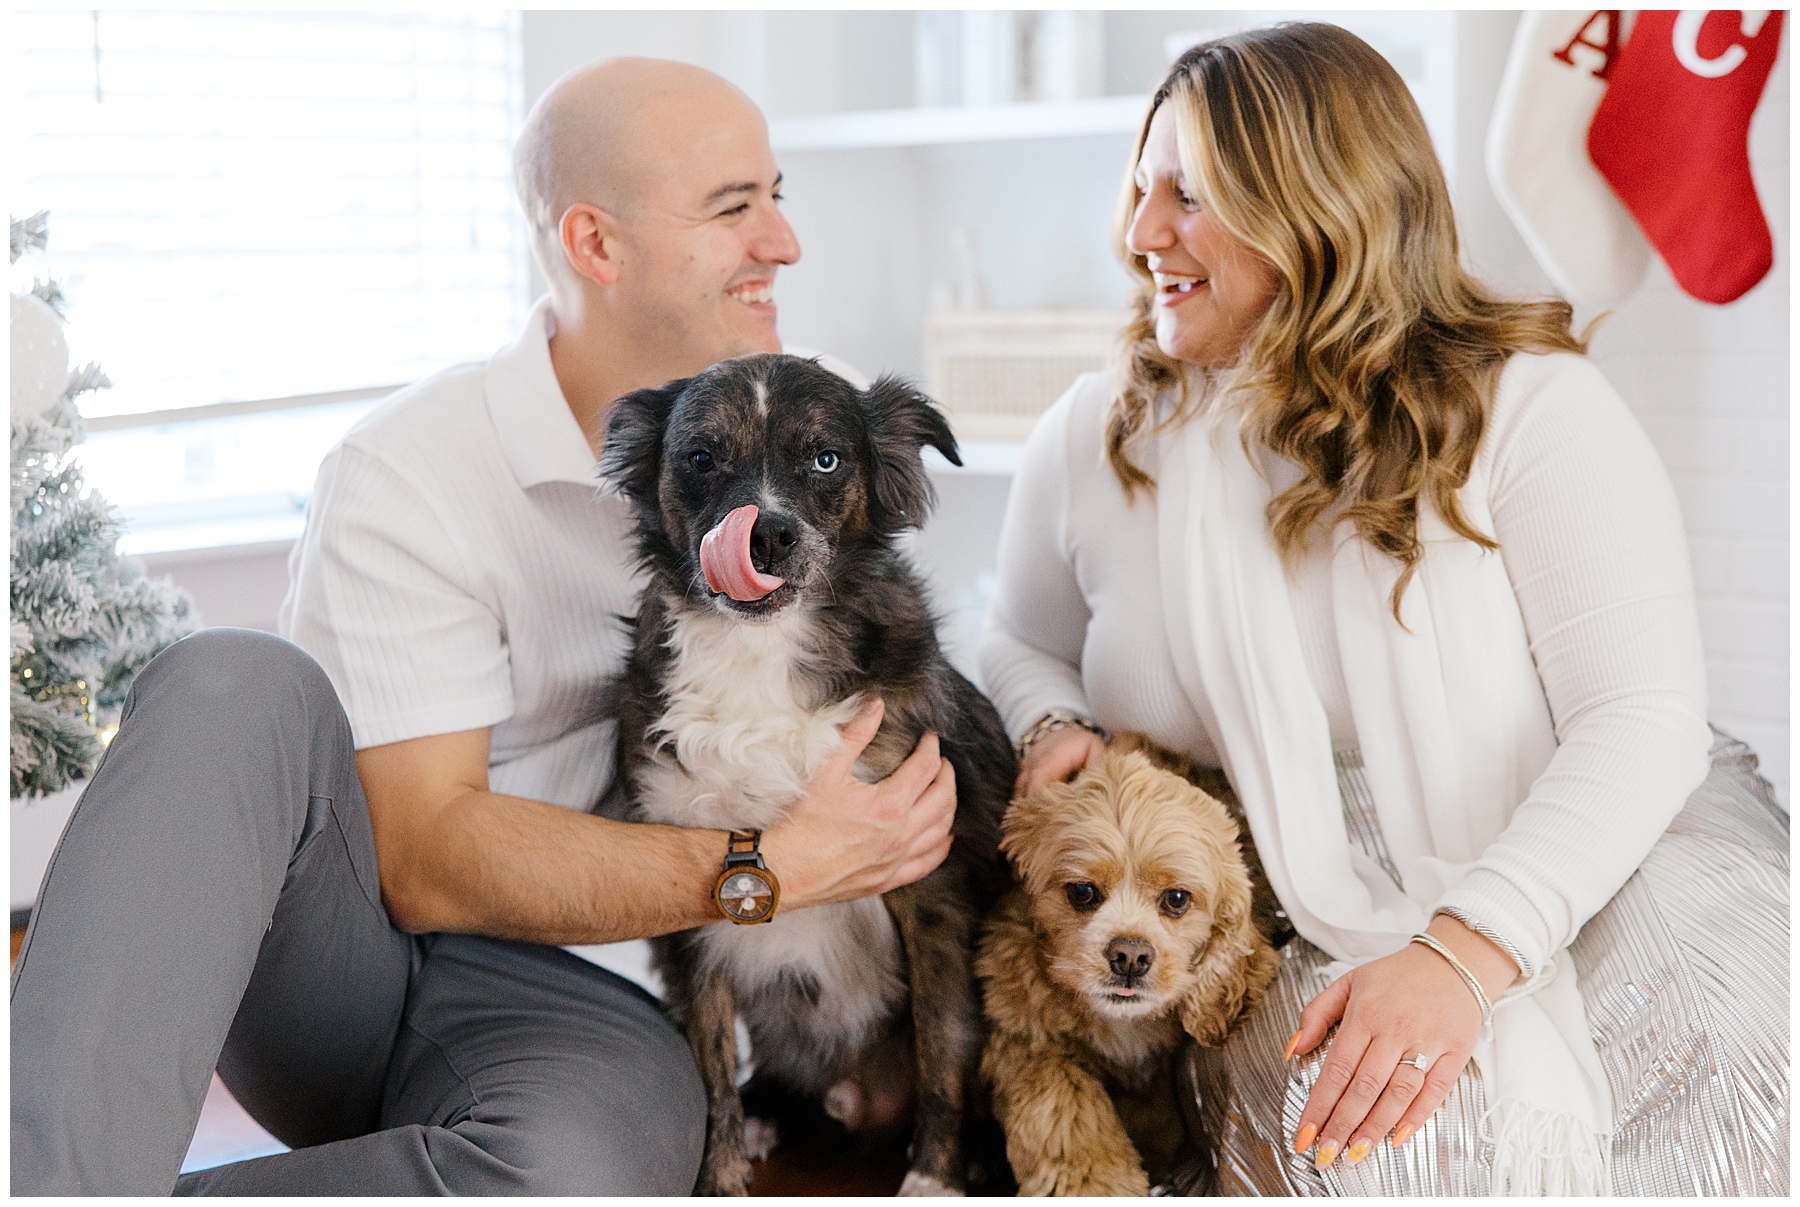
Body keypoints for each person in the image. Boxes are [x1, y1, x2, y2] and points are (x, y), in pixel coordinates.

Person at [11, 58, 959, 1195]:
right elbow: (422, 859)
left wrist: (1053, 725)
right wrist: (759, 867)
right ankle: (50, 1177)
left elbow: (919, 673)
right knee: (232, 682)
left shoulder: (820, 415)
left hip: (590, 991)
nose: (783, 241)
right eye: (733, 207)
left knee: (563, 1175)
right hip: (360, 965)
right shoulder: (408, 466)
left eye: (778, 195)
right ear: (595, 244)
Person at [982, 23, 1787, 1196]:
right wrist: (1051, 720)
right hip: (1276, 891)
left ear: (1318, 208)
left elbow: (1641, 715)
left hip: (1582, 833)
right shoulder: (1097, 434)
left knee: (1740, 1086)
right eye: (1141, 188)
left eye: (1188, 196)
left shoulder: (1531, 407)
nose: (1140, 232)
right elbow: (1019, 638)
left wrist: (1465, 950)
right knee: (1376, 1153)